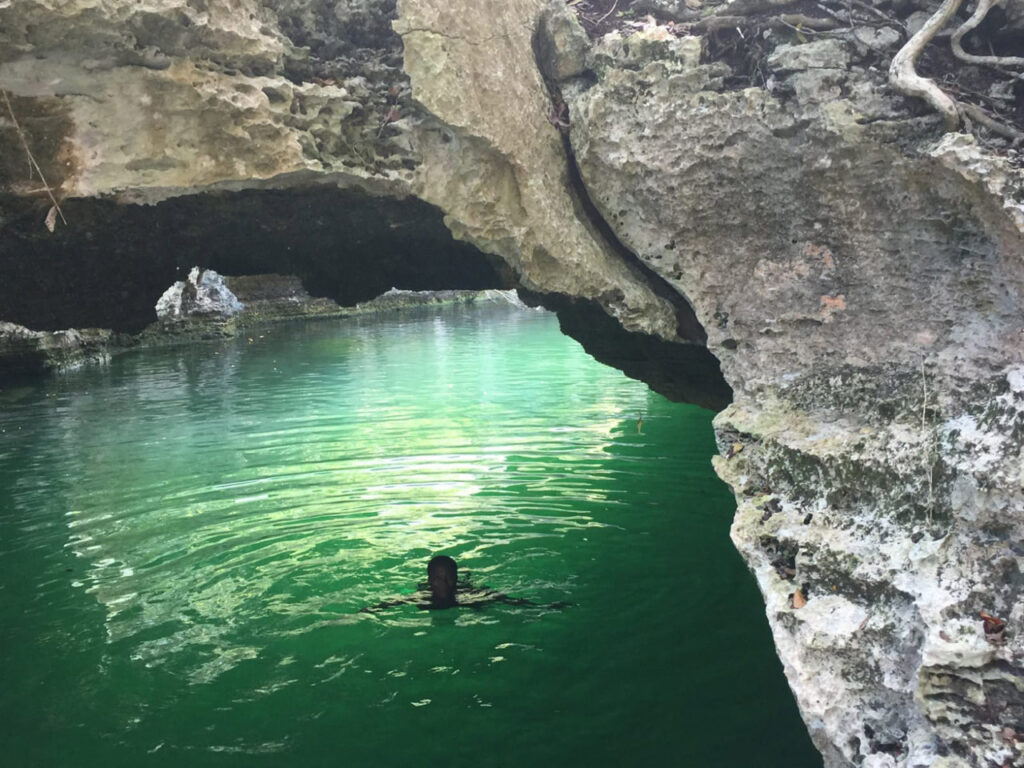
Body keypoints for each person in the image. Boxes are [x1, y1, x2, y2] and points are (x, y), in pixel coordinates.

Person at [361, 555, 569, 613]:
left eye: (448, 578)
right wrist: (364, 612)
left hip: (466, 593)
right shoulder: (421, 596)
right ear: (430, 581)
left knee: (482, 603)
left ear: (454, 579)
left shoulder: (467, 595)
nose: (443, 583)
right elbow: (391, 603)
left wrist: (543, 607)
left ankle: (466, 574)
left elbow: (507, 600)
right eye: (437, 579)